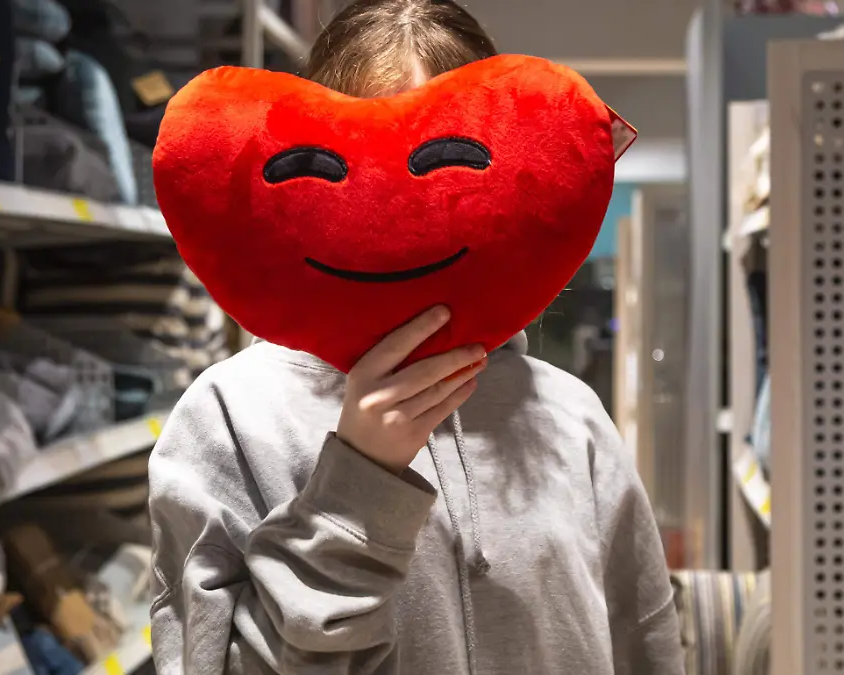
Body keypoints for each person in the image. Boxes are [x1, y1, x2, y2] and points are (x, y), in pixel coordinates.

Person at [147, 1, 684, 673]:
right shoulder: (228, 417)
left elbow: (645, 633)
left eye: (447, 169)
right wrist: (353, 489)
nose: (401, 217)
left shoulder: (568, 416)